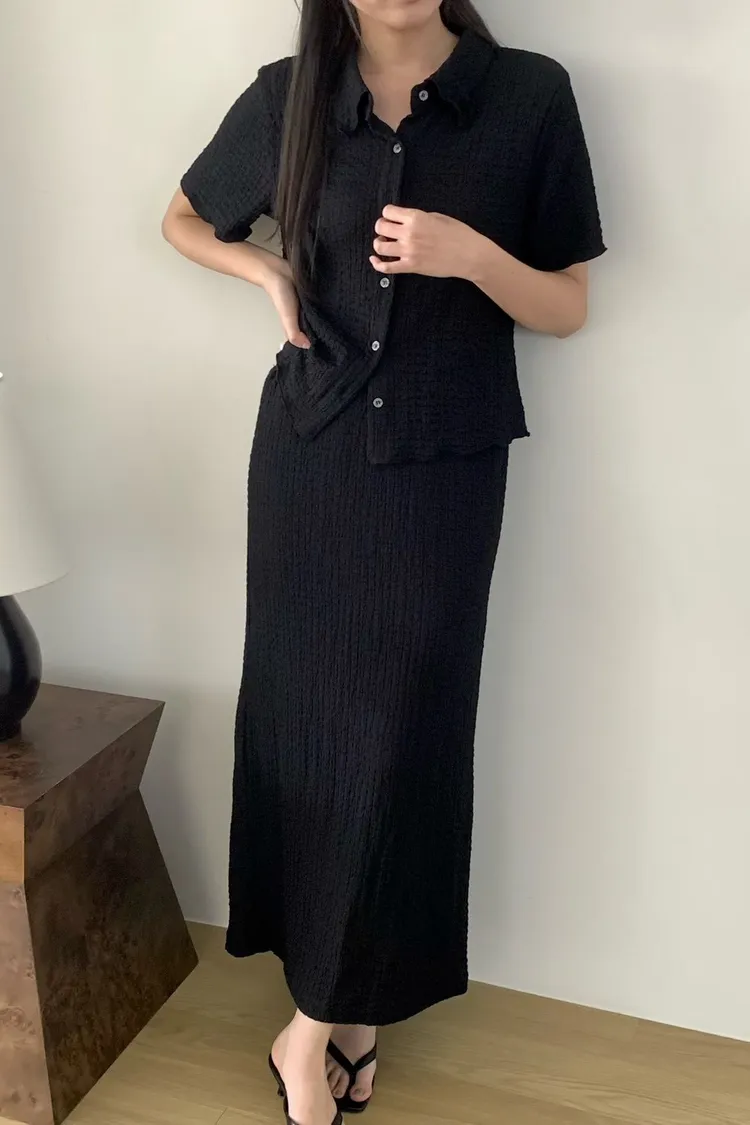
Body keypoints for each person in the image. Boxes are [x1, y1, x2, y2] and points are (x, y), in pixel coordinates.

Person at [162, 2, 606, 1123]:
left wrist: (472, 256)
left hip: (444, 468)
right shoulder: (290, 97)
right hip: (310, 458)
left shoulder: (529, 97)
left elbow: (567, 306)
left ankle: (307, 1027)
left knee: (406, 738)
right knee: (307, 731)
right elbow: (181, 219)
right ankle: (341, 1015)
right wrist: (267, 274)